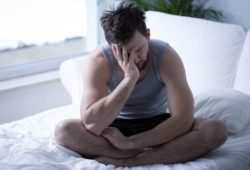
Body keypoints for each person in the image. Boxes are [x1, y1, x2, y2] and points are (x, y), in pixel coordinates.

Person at [54, 1, 228, 167]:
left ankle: (131, 160)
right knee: (64, 131)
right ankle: (149, 153)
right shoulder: (99, 60)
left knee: (215, 130)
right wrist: (129, 79)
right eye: (124, 53)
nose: (134, 59)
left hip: (157, 124)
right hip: (113, 127)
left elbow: (183, 120)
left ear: (148, 35)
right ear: (111, 46)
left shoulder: (166, 56)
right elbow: (93, 124)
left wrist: (130, 143)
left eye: (138, 50)